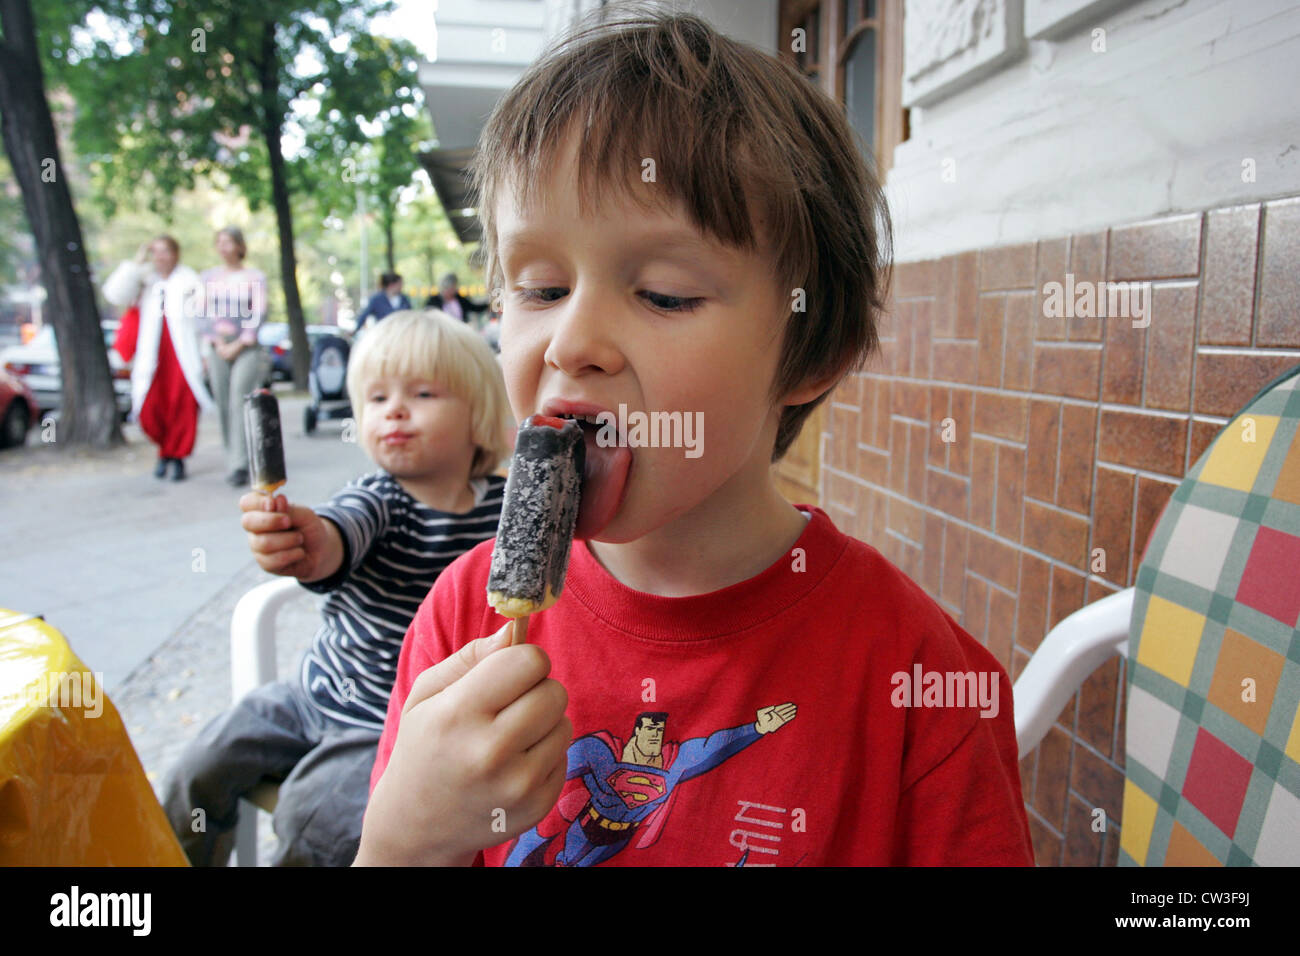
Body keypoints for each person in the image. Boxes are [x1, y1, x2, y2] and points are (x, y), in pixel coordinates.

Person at [355, 9, 1035, 867]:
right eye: (539, 286)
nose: (569, 342)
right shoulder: (463, 620)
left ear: (809, 351)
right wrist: (402, 842)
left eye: (665, 295)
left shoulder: (920, 683)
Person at [161, 310, 513, 866]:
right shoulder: (377, 497)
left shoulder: (505, 511)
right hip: (311, 692)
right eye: (376, 399)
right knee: (196, 770)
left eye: (422, 393)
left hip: (385, 723)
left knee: (314, 822)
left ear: (479, 414)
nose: (394, 409)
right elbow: (335, 538)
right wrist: (304, 541)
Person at [102, 236, 214, 481]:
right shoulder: (144, 281)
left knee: (181, 408)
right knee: (151, 410)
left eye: (166, 252)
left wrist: (206, 353)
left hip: (182, 356)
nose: (161, 257)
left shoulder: (189, 281)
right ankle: (164, 451)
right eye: (156, 252)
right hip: (152, 356)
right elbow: (115, 295)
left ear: (176, 254)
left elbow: (204, 321)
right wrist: (136, 263)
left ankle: (177, 458)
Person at [198, 226, 271, 486]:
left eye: (229, 242)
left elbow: (259, 313)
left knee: (240, 398)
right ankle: (233, 457)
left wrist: (240, 343)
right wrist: (218, 343)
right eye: (219, 242)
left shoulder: (255, 277)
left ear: (240, 246)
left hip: (246, 346)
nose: (224, 247)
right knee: (223, 401)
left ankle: (241, 463)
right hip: (218, 344)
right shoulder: (208, 278)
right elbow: (202, 313)